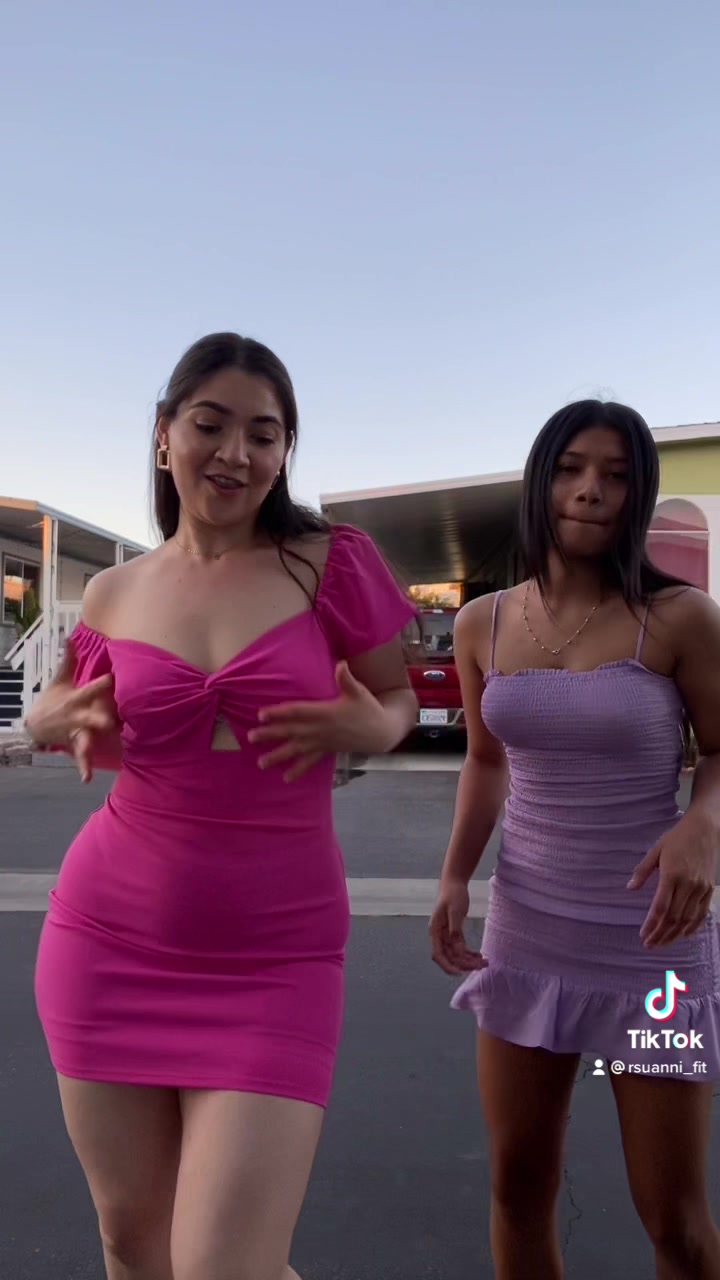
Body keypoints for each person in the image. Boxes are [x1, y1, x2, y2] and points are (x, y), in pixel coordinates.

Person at [26, 332, 418, 1280]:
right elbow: (68, 712)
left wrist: (370, 729)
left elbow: (398, 700)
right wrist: (46, 718)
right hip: (106, 940)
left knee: (225, 1265)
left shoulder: (329, 564)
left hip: (275, 957)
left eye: (264, 434)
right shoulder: (114, 592)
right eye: (211, 424)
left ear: (285, 452)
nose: (236, 452)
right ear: (165, 435)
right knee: (133, 1246)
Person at [429, 400, 720, 1280]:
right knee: (518, 1188)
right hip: (528, 938)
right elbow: (485, 760)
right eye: (570, 469)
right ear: (539, 481)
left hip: (655, 950)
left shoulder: (681, 618)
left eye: (616, 475)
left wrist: (703, 824)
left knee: (672, 1216)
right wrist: (455, 877)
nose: (591, 491)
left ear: (639, 495)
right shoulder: (482, 623)